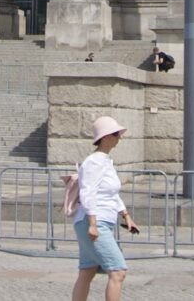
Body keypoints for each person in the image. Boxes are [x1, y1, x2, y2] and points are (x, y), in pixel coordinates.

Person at [72, 116, 137, 301]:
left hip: (99, 222)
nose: (119, 138)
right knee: (118, 271)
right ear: (106, 137)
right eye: (116, 134)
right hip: (94, 222)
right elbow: (88, 192)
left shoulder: (106, 161)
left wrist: (126, 215)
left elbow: (111, 194)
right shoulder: (95, 161)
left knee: (87, 271)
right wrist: (92, 223)